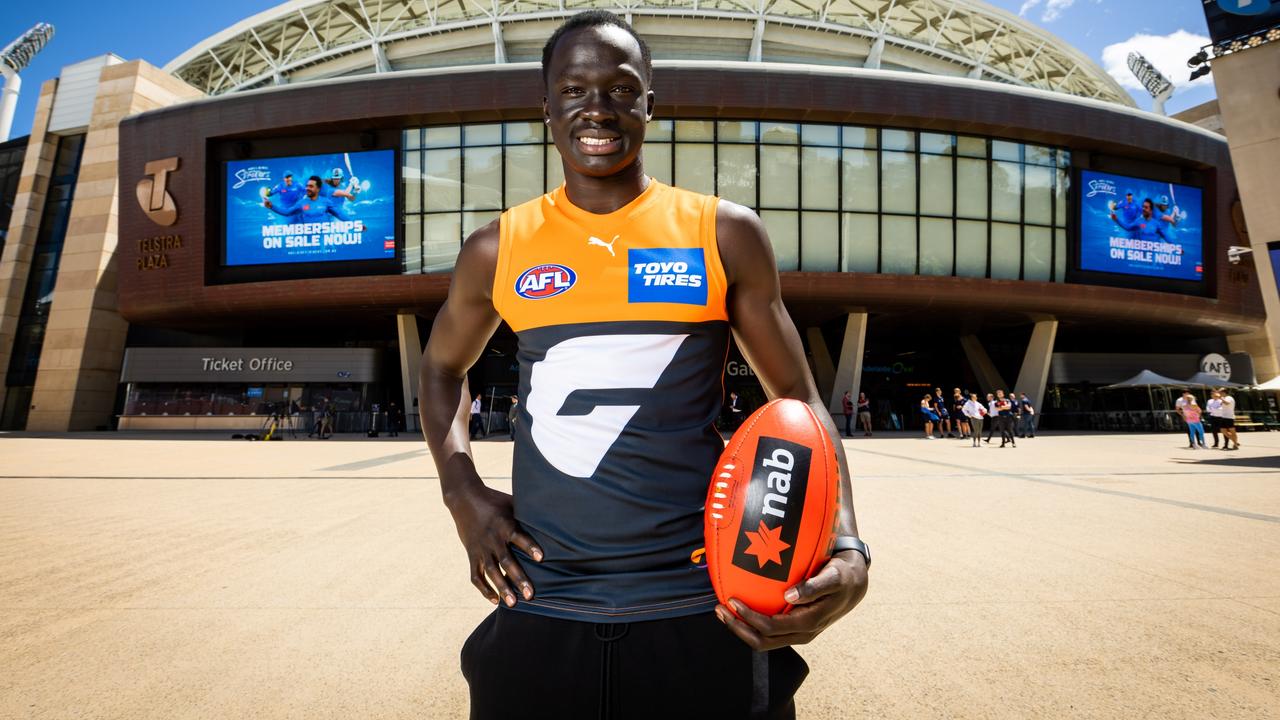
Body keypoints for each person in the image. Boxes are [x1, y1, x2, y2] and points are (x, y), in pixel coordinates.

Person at [416, 12, 868, 718]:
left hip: (702, 601)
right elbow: (441, 369)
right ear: (547, 109)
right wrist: (460, 490)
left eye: (621, 90)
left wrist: (847, 543)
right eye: (573, 90)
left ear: (650, 105)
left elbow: (798, 399)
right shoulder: (497, 248)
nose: (597, 108)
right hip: (544, 597)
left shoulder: (722, 233)